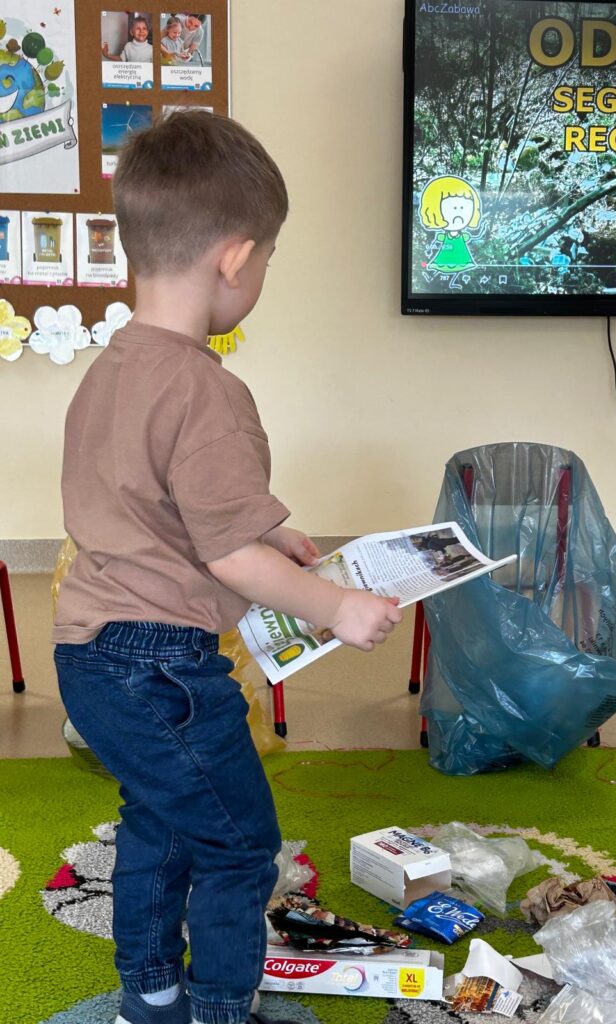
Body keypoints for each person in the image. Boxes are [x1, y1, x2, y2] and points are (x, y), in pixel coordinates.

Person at [52, 111, 402, 1024]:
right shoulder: (207, 388)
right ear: (236, 259)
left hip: (89, 657)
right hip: (163, 666)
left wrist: (272, 534)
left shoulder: (109, 370)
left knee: (162, 820)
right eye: (269, 259)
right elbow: (225, 551)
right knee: (242, 845)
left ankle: (150, 993)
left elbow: (157, 505)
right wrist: (336, 606)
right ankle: (216, 1008)